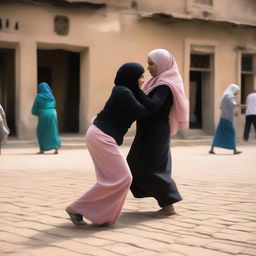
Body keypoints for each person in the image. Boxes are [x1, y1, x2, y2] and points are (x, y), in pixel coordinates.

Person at [66, 62, 156, 226]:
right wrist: (147, 95)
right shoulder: (122, 92)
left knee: (111, 179)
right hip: (101, 136)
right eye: (141, 76)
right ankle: (76, 208)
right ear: (132, 77)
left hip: (101, 135)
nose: (144, 79)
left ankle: (101, 216)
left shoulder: (129, 91)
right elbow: (144, 111)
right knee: (124, 177)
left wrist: (144, 94)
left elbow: (150, 106)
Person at [127, 49, 189, 216]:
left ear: (162, 64)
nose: (148, 68)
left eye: (151, 64)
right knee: (133, 163)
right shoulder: (155, 82)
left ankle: (168, 205)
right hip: (147, 131)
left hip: (156, 132)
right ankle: (161, 199)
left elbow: (153, 105)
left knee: (154, 167)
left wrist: (137, 89)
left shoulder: (166, 85)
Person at [209, 83, 242, 154]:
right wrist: (239, 105)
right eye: (236, 91)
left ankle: (212, 149)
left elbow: (221, 106)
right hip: (227, 118)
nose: (236, 93)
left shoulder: (225, 95)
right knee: (232, 132)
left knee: (219, 132)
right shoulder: (230, 96)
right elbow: (232, 104)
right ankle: (234, 150)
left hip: (223, 116)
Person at [32, 82, 61, 154]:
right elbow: (54, 104)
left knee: (41, 131)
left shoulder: (39, 96)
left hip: (43, 114)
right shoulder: (51, 96)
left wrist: (39, 112)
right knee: (53, 131)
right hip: (53, 113)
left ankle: (42, 149)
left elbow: (34, 110)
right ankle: (56, 148)